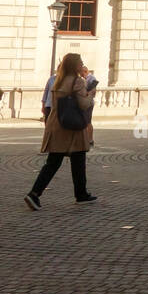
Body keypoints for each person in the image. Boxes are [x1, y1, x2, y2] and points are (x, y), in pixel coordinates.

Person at [25, 53, 97, 209]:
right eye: (80, 63)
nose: (82, 65)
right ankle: (37, 194)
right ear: (74, 65)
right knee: (77, 159)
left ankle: (37, 193)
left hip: (57, 123)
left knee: (54, 162)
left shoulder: (58, 80)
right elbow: (83, 104)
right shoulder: (77, 81)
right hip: (73, 127)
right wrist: (90, 94)